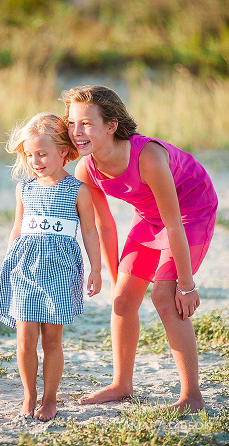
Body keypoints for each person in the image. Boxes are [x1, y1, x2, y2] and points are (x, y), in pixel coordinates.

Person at [64, 85, 217, 413]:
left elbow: (174, 223)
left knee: (164, 296)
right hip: (150, 217)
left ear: (111, 126)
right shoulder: (86, 168)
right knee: (122, 300)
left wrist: (187, 285)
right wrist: (116, 276)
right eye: (72, 122)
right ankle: (122, 384)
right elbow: (105, 225)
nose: (77, 132)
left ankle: (192, 395)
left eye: (86, 124)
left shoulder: (148, 157)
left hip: (189, 210)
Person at [0, 112, 103, 421]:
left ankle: (50, 399)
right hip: (25, 269)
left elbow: (90, 231)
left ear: (63, 151)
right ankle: (29, 395)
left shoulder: (77, 190)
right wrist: (4, 264)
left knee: (52, 340)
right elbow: (17, 230)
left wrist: (96, 269)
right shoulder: (24, 189)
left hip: (61, 271)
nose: (35, 160)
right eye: (30, 154)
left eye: (42, 153)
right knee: (25, 339)